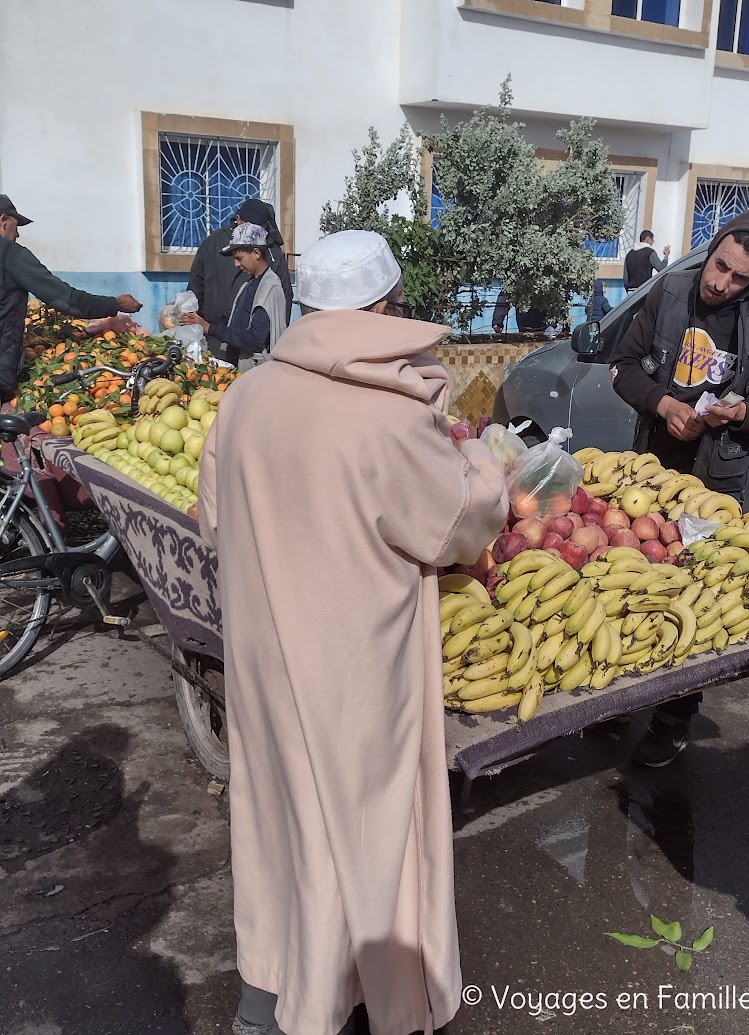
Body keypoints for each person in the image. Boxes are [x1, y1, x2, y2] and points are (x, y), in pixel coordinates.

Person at [196, 229, 508, 1035]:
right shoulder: (388, 418)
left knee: (280, 822)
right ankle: (358, 1001)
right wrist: (482, 465)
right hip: (357, 670)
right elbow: (457, 530)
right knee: (364, 835)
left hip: (266, 662)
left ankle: (267, 996)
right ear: (382, 308)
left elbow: (213, 516)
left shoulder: (246, 396)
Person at [610, 205, 749, 767]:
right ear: (713, 249)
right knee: (630, 586)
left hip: (715, 483)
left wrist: (743, 415)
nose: (721, 283)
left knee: (691, 599)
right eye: (720, 266)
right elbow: (622, 364)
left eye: (739, 279)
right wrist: (661, 403)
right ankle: (616, 696)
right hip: (651, 472)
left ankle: (673, 718)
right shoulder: (668, 292)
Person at [0, 194, 141, 403]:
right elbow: (65, 299)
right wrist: (115, 304)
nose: (18, 233)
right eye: (15, 224)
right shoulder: (10, 254)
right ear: (3, 222)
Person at [187, 198, 293, 357]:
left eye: (239, 258)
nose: (237, 264)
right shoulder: (213, 244)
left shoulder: (270, 281)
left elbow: (256, 338)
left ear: (257, 252)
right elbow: (196, 288)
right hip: (220, 342)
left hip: (253, 357)